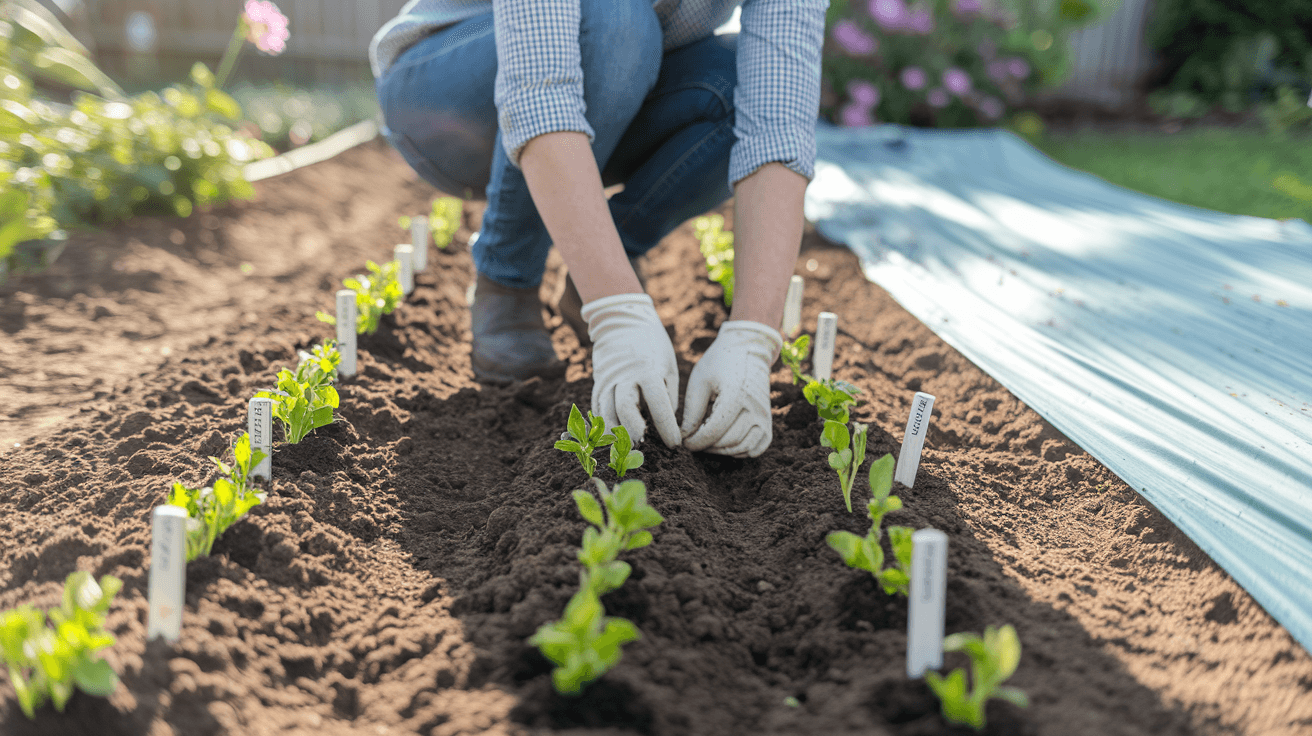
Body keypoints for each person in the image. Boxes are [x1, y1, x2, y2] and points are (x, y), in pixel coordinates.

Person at [372, 0, 826, 458]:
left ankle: (604, 263)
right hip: (443, 90)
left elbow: (778, 126)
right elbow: (538, 93)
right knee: (616, 22)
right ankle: (506, 278)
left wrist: (754, 335)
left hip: (619, 82)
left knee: (738, 82)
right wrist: (617, 311)